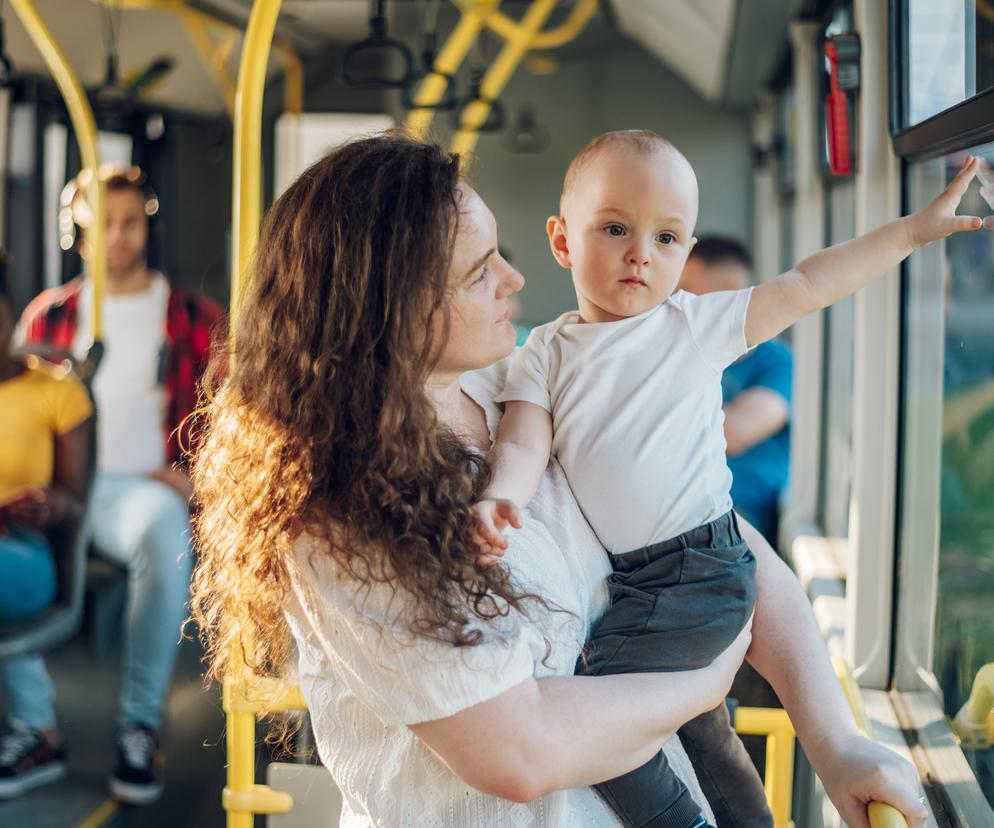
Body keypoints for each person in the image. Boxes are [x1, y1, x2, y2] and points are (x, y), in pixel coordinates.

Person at [190, 132, 929, 828]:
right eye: (481, 272)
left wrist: (835, 743)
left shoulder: (512, 387)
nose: (515, 277)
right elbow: (518, 750)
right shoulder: (344, 513)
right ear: (392, 308)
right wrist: (706, 684)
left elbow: (725, 542)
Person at [475, 130, 981, 827]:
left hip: (702, 563)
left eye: (666, 238)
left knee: (595, 700)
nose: (639, 254)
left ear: (683, 256)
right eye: (615, 229)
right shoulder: (546, 351)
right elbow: (524, 439)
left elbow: (808, 284)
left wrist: (910, 234)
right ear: (563, 242)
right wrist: (502, 498)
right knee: (698, 723)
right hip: (642, 577)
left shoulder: (692, 326)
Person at [15, 164, 223, 804]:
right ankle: (34, 725)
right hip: (53, 483)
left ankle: (139, 724)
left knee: (162, 524)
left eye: (131, 222)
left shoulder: (191, 314)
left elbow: (234, 413)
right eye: (103, 224)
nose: (119, 237)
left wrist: (195, 473)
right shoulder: (48, 319)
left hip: (135, 489)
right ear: (77, 233)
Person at [0, 251, 93, 797]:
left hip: (28, 553)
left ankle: (39, 731)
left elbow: (76, 505)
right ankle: (37, 727)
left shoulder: (55, 391)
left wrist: (55, 505)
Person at [679, 237, 791, 546]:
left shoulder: (775, 361)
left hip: (739, 522)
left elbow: (735, 432)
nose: (675, 305)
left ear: (729, 292)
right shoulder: (682, 352)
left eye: (686, 292)